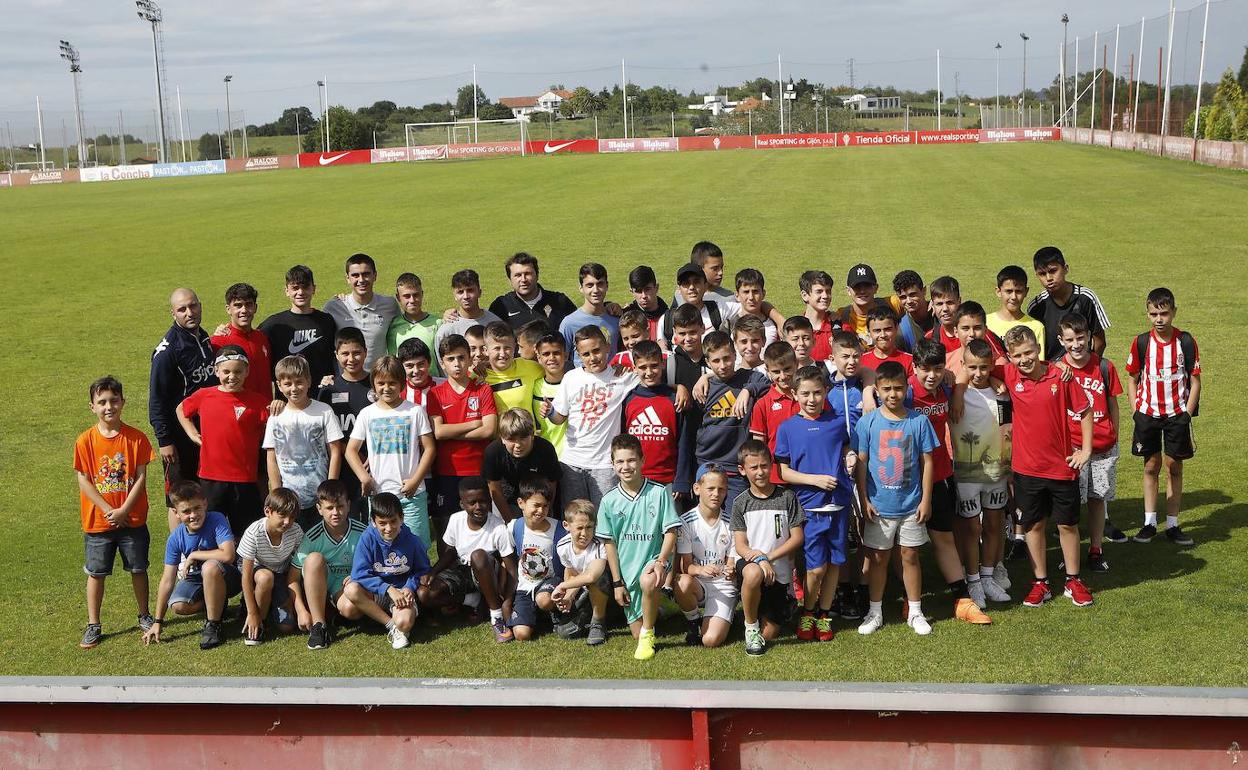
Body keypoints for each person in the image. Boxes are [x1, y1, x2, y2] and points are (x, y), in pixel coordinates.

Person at [1002, 326, 1095, 609]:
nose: (1024, 359)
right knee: (1033, 525)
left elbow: (1086, 411)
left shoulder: (1060, 375)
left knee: (1068, 524)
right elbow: (974, 360)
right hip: (1027, 470)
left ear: (1038, 348)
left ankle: (1073, 580)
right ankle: (1040, 582)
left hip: (1061, 467)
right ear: (1009, 357)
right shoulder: (1008, 374)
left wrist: (1086, 450)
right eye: (1017, 355)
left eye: (1028, 352)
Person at [907, 339, 992, 624]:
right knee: (906, 546)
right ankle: (910, 602)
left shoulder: (944, 386)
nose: (931, 375)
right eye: (925, 369)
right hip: (908, 480)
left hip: (941, 473)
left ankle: (962, 599)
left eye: (938, 368)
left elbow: (970, 371)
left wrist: (955, 390)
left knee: (943, 535)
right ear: (915, 366)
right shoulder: (904, 392)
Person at [853, 362, 939, 636]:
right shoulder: (867, 422)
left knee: (910, 555)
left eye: (899, 388)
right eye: (887, 389)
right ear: (876, 390)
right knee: (878, 558)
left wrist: (926, 500)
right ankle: (875, 611)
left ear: (907, 388)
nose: (893, 394)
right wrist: (864, 497)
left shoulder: (919, 421)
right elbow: (862, 464)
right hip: (879, 506)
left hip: (911, 504)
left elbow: (927, 462)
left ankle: (915, 610)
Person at [74, 375, 157, 648]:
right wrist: (109, 509)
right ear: (92, 406)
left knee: (138, 568)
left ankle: (144, 615)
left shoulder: (136, 438)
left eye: (113, 400)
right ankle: (93, 623)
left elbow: (141, 477)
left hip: (132, 520)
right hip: (98, 523)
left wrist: (124, 510)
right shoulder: (85, 441)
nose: (108, 406)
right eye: (102, 402)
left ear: (123, 402)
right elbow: (84, 479)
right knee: (96, 573)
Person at [777, 366, 855, 642]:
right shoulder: (787, 428)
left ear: (826, 393)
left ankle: (823, 615)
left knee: (835, 562)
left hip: (839, 502)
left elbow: (844, 447)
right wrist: (815, 481)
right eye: (805, 394)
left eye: (817, 393)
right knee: (816, 567)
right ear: (794, 394)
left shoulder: (836, 422)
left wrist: (850, 455)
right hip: (809, 506)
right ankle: (807, 611)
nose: (812, 399)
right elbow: (784, 472)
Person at [1125, 287, 1201, 545]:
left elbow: (1195, 380)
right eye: (1154, 313)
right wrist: (1136, 410)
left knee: (1174, 467)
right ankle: (1148, 524)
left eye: (1164, 313)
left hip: (1176, 415)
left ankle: (1172, 524)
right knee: (1150, 466)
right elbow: (1132, 378)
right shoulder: (1141, 342)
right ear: (1148, 314)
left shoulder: (1185, 341)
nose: (1159, 319)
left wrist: (1187, 414)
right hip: (1148, 414)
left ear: (1174, 312)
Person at [597, 434, 681, 661]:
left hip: (655, 559)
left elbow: (671, 532)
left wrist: (662, 561)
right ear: (613, 464)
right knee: (635, 632)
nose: (626, 466)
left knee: (648, 581)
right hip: (627, 571)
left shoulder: (659, 492)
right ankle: (661, 605)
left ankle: (649, 634)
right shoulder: (609, 501)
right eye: (620, 462)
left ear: (642, 460)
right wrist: (617, 583)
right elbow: (609, 544)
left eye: (631, 460)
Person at [175, 345, 269, 540]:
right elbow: (181, 410)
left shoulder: (258, 402)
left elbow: (275, 423)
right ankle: (205, 567)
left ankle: (243, 568)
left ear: (247, 372)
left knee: (245, 533)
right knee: (208, 530)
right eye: (226, 371)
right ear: (216, 371)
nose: (232, 377)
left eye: (237, 372)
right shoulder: (204, 395)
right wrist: (192, 433)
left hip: (245, 480)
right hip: (211, 477)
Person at [543, 326, 640, 505]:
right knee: (576, 519)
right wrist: (550, 413)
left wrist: (678, 387)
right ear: (578, 356)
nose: (593, 358)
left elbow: (651, 378)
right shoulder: (571, 378)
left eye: (596, 350)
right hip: (572, 462)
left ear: (607, 347)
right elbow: (560, 418)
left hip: (604, 464)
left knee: (605, 518)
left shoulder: (622, 376)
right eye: (586, 354)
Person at [346, 356, 436, 545]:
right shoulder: (367, 413)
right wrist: (364, 477)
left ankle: (419, 576)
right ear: (373, 384)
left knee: (417, 546)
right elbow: (351, 451)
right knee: (382, 547)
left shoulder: (415, 411)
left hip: (411, 495)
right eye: (381, 383)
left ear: (402, 384)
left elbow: (429, 449)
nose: (386, 388)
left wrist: (415, 481)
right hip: (379, 495)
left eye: (392, 383)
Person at [141, 480, 241, 650]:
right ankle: (217, 604)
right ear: (176, 513)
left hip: (229, 576)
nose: (193, 515)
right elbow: (167, 579)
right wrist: (158, 621)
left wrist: (195, 554)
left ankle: (213, 625)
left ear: (205, 504)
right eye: (186, 511)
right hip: (198, 577)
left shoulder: (216, 519)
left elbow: (228, 554)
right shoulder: (175, 538)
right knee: (178, 605)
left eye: (196, 508)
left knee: (210, 567)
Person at [1059, 313, 1124, 570]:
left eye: (1081, 338)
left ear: (1089, 337)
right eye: (1070, 339)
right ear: (1061, 340)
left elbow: (1113, 404)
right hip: (1072, 448)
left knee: (1098, 499)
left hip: (1102, 447)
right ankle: (1070, 554)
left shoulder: (1104, 367)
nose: (1076, 344)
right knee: (1071, 503)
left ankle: (1095, 549)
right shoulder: (1057, 369)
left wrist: (1114, 434)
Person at [949, 339, 1013, 602]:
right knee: (972, 527)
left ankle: (988, 577)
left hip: (997, 471)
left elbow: (1007, 429)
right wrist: (958, 389)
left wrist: (1009, 469)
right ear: (963, 365)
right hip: (966, 474)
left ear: (992, 366)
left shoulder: (1002, 393)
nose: (978, 373)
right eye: (972, 368)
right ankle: (973, 580)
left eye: (984, 368)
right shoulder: (956, 392)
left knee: (994, 523)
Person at [418, 477, 518, 643]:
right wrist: (433, 572)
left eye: (483, 501)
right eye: (472, 503)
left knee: (478, 555)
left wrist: (507, 602)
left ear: (489, 500)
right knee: (424, 594)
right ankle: (474, 601)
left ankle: (496, 617)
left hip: (489, 575)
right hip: (463, 571)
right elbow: (449, 553)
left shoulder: (499, 527)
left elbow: (512, 570)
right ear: (462, 504)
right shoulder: (456, 520)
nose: (478, 507)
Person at [149, 287, 217, 529]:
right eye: (182, 309)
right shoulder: (167, 352)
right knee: (178, 498)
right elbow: (157, 400)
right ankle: (177, 558)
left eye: (193, 306)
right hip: (178, 439)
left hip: (207, 432)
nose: (190, 312)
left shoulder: (204, 337)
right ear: (173, 313)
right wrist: (165, 440)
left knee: (205, 491)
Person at [731, 440, 805, 656]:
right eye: (753, 467)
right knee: (753, 574)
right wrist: (760, 560)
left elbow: (797, 537)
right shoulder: (740, 502)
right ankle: (751, 628)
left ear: (771, 465)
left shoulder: (787, 497)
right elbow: (741, 545)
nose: (760, 472)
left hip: (778, 574)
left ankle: (780, 606)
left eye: (764, 466)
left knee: (771, 633)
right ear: (742, 470)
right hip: (750, 567)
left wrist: (769, 557)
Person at [263, 355, 344, 529]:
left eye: (299, 382)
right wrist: (278, 492)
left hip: (320, 496)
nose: (294, 388)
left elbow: (335, 451)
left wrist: (329, 489)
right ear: (279, 386)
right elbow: (271, 457)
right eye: (288, 384)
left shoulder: (324, 411)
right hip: (289, 499)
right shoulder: (276, 417)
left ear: (309, 381)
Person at [693, 331, 772, 509]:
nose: (723, 365)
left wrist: (748, 390)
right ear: (707, 362)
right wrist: (705, 377)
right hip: (707, 463)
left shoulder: (750, 378)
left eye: (727, 358)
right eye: (716, 361)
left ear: (735, 354)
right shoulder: (704, 387)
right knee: (709, 519)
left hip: (736, 468)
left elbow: (768, 385)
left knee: (736, 522)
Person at [428, 335, 498, 535]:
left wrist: (452, 431)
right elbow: (439, 432)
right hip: (448, 470)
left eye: (461, 358)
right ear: (442, 363)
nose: (457, 364)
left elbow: (489, 430)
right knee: (445, 525)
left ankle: (483, 565)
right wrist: (473, 423)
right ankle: (449, 567)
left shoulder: (482, 389)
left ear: (469, 359)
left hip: (478, 469)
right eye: (450, 359)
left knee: (483, 524)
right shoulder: (435, 394)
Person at [344, 492, 430, 649]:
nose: (389, 528)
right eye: (382, 523)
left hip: (402, 592)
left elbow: (423, 570)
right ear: (373, 522)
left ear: (401, 518)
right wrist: (388, 589)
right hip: (378, 591)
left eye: (393, 521)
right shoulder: (367, 538)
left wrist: (409, 587)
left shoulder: (412, 540)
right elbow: (359, 574)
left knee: (404, 622)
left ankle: (399, 624)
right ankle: (391, 625)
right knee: (350, 589)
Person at [289, 479, 367, 650]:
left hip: (350, 586)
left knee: (351, 610)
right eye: (329, 508)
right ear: (319, 509)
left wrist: (358, 578)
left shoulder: (363, 532)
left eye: (340, 506)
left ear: (348, 505)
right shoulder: (312, 537)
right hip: (324, 582)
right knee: (314, 559)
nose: (335, 513)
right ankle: (319, 626)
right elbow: (292, 578)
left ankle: (336, 613)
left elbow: (375, 565)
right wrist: (301, 610)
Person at [621, 340, 695, 503]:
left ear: (662, 364)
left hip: (668, 482)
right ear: (634, 368)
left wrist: (681, 480)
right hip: (635, 480)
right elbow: (622, 443)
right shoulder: (628, 400)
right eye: (642, 367)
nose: (649, 372)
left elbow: (684, 442)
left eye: (654, 365)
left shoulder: (675, 399)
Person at [674, 465, 737, 648]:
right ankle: (693, 621)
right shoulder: (685, 522)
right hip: (698, 584)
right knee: (682, 581)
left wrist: (731, 569)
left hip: (722, 586)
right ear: (696, 489)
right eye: (710, 489)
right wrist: (701, 569)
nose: (716, 494)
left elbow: (731, 563)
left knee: (710, 640)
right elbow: (686, 567)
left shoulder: (732, 522)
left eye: (721, 489)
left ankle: (726, 615)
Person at [237, 487, 304, 646]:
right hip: (257, 571)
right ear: (268, 511)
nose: (287, 522)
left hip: (281, 572)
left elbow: (301, 564)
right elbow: (245, 577)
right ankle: (259, 622)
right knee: (266, 578)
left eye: (292, 517)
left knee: (286, 626)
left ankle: (270, 602)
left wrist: (291, 598)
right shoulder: (254, 532)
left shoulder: (295, 531)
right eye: (282, 515)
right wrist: (253, 613)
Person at [316, 327, 373, 502]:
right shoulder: (328, 390)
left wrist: (375, 455)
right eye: (345, 354)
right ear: (336, 355)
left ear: (365, 352)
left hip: (374, 466)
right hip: (341, 470)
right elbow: (325, 435)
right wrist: (351, 453)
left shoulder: (378, 385)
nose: (351, 359)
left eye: (356, 353)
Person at [259, 265, 338, 389]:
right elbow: (249, 338)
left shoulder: (326, 321)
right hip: (289, 396)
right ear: (286, 290)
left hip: (323, 394)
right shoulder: (274, 324)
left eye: (305, 287)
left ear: (314, 288)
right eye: (295, 288)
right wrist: (225, 331)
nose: (300, 292)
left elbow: (337, 354)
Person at [507, 481, 568, 641]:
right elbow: (508, 557)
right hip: (525, 586)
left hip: (552, 581)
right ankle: (536, 616)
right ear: (521, 503)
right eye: (536, 505)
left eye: (545, 506)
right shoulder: (514, 527)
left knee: (544, 600)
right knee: (521, 635)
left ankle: (554, 612)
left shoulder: (560, 530)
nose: (541, 511)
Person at [1027, 245, 1111, 360]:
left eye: (1053, 271)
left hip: (1083, 367)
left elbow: (1100, 341)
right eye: (1042, 274)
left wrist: (1087, 365)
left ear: (1065, 268)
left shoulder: (1086, 297)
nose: (1048, 278)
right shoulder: (1036, 307)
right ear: (1037, 275)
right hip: (1052, 371)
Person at [323, 253, 401, 369]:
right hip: (345, 380)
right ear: (348, 279)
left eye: (366, 274)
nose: (361, 280)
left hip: (378, 380)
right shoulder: (334, 307)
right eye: (355, 275)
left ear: (375, 275)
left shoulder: (389, 305)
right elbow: (324, 345)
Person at [482, 408, 562, 519]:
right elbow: (495, 490)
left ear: (532, 435)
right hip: (506, 499)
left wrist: (545, 513)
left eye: (523, 438)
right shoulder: (493, 452)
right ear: (502, 439)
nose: (518, 445)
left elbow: (552, 484)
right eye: (511, 439)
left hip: (538, 498)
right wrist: (510, 521)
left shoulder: (545, 449)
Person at [551, 500, 611, 644]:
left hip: (609, 592)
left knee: (598, 579)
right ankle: (588, 615)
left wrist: (562, 586)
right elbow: (572, 572)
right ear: (566, 525)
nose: (584, 533)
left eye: (589, 527)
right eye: (579, 528)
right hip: (585, 591)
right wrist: (569, 596)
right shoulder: (562, 545)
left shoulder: (599, 544)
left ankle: (598, 622)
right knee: (565, 632)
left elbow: (591, 576)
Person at [210, 282, 273, 402]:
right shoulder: (217, 342)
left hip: (266, 412)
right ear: (228, 309)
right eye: (238, 305)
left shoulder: (262, 338)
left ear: (255, 307)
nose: (244, 310)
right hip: (237, 414)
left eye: (248, 305)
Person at [749, 340, 800, 486]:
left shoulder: (808, 397)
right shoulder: (762, 404)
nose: (783, 376)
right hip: (776, 478)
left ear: (796, 364)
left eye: (787, 369)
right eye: (776, 372)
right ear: (767, 370)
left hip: (808, 473)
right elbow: (759, 447)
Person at [488, 251, 579, 330]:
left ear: (537, 275)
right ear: (509, 280)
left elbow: (578, 331)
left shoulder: (560, 301)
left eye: (528, 274)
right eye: (518, 275)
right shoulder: (501, 306)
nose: (523, 279)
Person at [560, 263, 621, 368]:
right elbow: (562, 359)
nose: (596, 290)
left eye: (600, 284)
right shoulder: (569, 323)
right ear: (581, 288)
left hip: (614, 381)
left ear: (607, 285)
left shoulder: (616, 318)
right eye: (590, 285)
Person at [660, 262, 736, 345]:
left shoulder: (719, 309)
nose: (691, 287)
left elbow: (747, 308)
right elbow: (661, 347)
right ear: (679, 289)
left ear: (705, 285)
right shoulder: (667, 319)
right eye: (686, 283)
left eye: (696, 282)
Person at [386, 272, 442, 377]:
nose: (412, 300)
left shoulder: (437, 323)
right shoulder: (393, 326)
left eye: (416, 295)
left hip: (433, 384)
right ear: (398, 298)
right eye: (407, 296)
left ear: (422, 294)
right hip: (405, 387)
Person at [435, 269, 504, 353]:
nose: (466, 296)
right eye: (460, 292)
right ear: (455, 295)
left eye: (470, 290)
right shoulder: (447, 330)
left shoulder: (495, 323)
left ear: (479, 292)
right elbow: (442, 363)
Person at [988, 265, 1046, 360]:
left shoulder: (1036, 327)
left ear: (1026, 292)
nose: (1014, 297)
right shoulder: (985, 323)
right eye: (1009, 291)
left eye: (1018, 291)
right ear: (998, 291)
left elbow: (1038, 363)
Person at [482, 321, 543, 413]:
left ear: (515, 347)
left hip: (528, 427)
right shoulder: (478, 377)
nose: (502, 354)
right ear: (486, 350)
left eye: (507, 348)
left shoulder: (532, 368)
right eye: (497, 348)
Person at [838, 263, 901, 345]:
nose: (862, 291)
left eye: (867, 286)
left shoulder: (892, 304)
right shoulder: (841, 315)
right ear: (848, 291)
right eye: (857, 287)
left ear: (876, 288)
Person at [531, 333, 569, 457]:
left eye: (556, 353)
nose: (552, 358)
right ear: (539, 358)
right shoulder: (534, 386)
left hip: (571, 457)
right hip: (543, 455)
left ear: (566, 355)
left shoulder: (576, 383)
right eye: (546, 354)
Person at [672, 240, 735, 305]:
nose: (720, 272)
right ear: (699, 269)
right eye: (715, 268)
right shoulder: (680, 295)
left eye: (721, 267)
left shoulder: (729, 299)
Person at [861, 307, 914, 376]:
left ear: (896, 328)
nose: (883, 335)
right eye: (877, 330)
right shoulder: (861, 361)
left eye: (888, 329)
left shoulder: (909, 361)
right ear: (869, 331)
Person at [734, 268, 779, 348]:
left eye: (755, 291)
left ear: (763, 294)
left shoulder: (775, 325)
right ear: (737, 296)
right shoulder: (728, 325)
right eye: (746, 292)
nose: (751, 297)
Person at [625, 265, 669, 344]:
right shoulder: (625, 317)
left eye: (647, 289)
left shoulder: (669, 317)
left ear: (656, 288)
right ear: (632, 292)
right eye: (638, 291)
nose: (644, 296)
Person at [799, 270, 837, 362]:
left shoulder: (840, 327)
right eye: (819, 291)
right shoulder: (794, 329)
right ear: (805, 295)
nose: (825, 296)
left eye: (828, 291)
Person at [892, 270, 934, 352]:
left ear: (924, 291)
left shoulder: (941, 314)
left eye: (913, 295)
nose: (909, 301)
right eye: (903, 297)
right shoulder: (901, 331)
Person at [397, 338, 441, 408]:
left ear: (429, 363)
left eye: (420, 364)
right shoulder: (397, 391)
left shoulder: (443, 386)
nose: (416, 371)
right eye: (409, 366)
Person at [926, 276, 963, 355]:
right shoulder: (929, 339)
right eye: (939, 304)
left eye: (950, 303)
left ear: (959, 302)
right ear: (932, 305)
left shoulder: (977, 332)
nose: (945, 308)